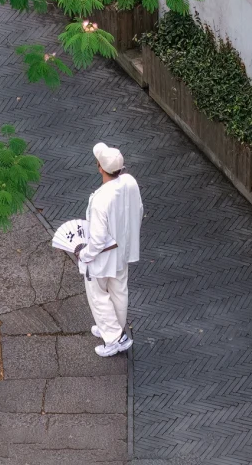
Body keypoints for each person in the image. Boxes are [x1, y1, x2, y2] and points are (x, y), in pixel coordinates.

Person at [77, 141, 143, 357]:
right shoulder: (130, 182)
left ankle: (114, 338)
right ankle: (112, 327)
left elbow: (96, 240)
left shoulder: (100, 199)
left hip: (102, 257)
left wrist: (84, 254)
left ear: (100, 167)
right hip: (123, 251)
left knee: (98, 295)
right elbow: (139, 211)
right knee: (118, 290)